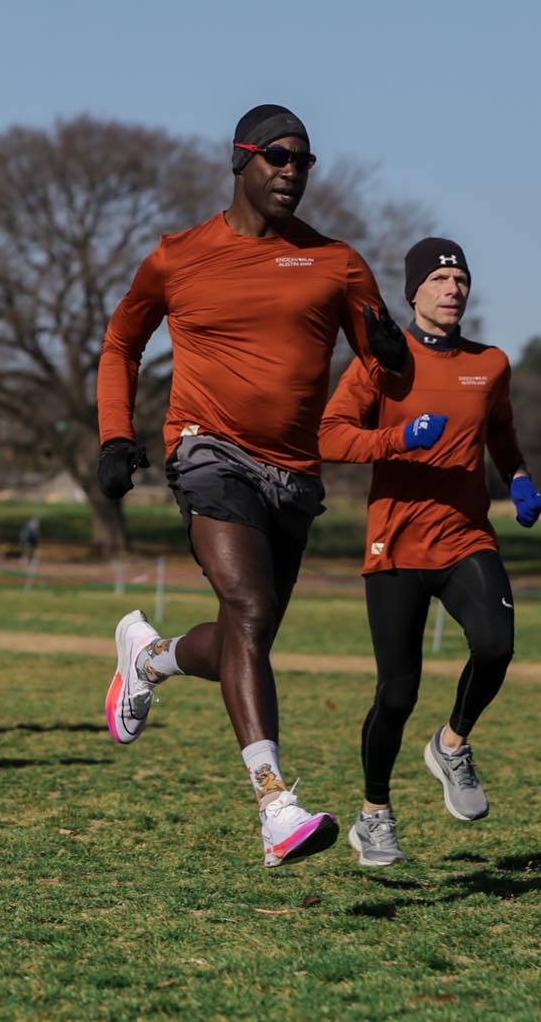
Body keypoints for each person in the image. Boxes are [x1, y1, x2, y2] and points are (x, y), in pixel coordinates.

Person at [96, 103, 414, 868]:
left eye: (304, 161)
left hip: (295, 474)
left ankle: (150, 658)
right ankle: (275, 804)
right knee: (249, 605)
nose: (292, 173)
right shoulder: (179, 256)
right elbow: (121, 341)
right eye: (278, 157)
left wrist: (392, 355)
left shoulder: (336, 263)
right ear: (240, 160)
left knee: (249, 636)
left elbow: (389, 377)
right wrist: (115, 433)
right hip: (209, 450)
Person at [318, 237, 541, 866]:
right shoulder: (380, 362)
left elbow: (501, 431)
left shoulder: (491, 363)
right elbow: (329, 436)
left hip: (466, 533)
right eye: (440, 280)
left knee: (496, 643)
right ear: (414, 291)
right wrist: (398, 439)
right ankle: (374, 815)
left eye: (461, 280)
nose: (453, 289)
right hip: (396, 542)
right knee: (396, 693)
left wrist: (518, 475)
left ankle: (451, 744)